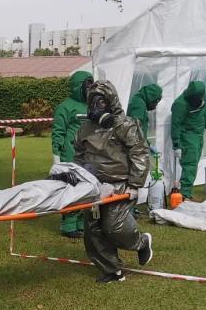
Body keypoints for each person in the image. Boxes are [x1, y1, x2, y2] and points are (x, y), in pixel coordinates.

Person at [74, 80, 154, 283]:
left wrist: (135, 184)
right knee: (92, 230)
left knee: (113, 226)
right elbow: (80, 155)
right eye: (94, 102)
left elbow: (139, 153)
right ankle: (112, 270)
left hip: (120, 183)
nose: (97, 107)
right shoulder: (85, 128)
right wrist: (81, 179)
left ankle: (141, 242)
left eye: (102, 102)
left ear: (111, 101)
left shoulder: (125, 125)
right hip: (94, 185)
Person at [51, 70, 94, 238]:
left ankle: (80, 223)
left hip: (89, 154)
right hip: (70, 155)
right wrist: (56, 157)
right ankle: (68, 226)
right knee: (71, 188)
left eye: (92, 84)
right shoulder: (65, 107)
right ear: (78, 87)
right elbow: (58, 132)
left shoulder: (92, 105)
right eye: (87, 84)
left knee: (86, 187)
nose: (90, 88)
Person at [171, 81, 206, 199]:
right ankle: (184, 194)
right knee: (190, 165)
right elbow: (176, 125)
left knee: (194, 164)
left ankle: (186, 191)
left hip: (199, 136)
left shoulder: (201, 96)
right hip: (188, 137)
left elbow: (203, 114)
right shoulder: (180, 104)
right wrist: (176, 145)